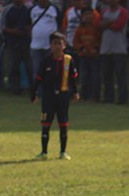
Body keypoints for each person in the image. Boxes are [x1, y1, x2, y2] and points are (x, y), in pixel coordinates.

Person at [31, 31, 79, 159]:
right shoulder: (46, 61)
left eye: (59, 43)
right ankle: (44, 152)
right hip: (48, 97)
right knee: (46, 124)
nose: (57, 46)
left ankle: (63, 152)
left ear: (64, 45)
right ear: (50, 45)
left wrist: (75, 92)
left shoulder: (69, 60)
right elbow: (39, 78)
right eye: (54, 44)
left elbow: (72, 79)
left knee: (63, 123)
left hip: (63, 96)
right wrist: (34, 93)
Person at [98, 0, 128, 104]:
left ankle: (122, 98)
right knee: (107, 76)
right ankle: (108, 97)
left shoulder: (123, 11)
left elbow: (118, 26)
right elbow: (99, 25)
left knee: (120, 75)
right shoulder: (103, 11)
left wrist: (106, 23)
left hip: (119, 48)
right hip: (105, 48)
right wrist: (111, 22)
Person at [3, 0, 33, 94]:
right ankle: (14, 88)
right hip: (12, 42)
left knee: (29, 66)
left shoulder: (29, 10)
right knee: (13, 66)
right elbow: (2, 26)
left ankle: (32, 87)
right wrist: (12, 31)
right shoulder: (8, 10)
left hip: (26, 42)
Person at [72, 5, 100, 102]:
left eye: (90, 14)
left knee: (95, 77)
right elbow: (76, 42)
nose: (88, 16)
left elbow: (99, 39)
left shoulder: (97, 28)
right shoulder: (80, 29)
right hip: (83, 56)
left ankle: (95, 97)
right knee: (84, 77)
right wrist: (81, 48)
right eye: (85, 14)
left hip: (94, 56)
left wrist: (96, 49)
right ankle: (84, 96)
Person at [28, 0, 58, 83]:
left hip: (50, 46)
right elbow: (28, 25)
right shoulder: (32, 9)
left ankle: (49, 89)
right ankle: (36, 91)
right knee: (37, 70)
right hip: (35, 45)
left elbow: (60, 25)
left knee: (50, 69)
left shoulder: (54, 9)